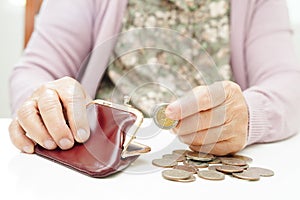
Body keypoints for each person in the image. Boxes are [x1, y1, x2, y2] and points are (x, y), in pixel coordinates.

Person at [8, 0, 300, 156]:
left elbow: (287, 83)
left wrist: (248, 115)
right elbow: (35, 69)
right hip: (105, 169)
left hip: (213, 165)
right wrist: (45, 105)